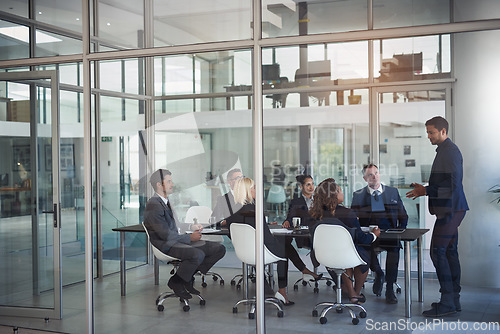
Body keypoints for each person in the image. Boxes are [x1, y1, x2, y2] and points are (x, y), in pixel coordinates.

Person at [406, 116, 469, 317]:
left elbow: (452, 185)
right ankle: (452, 300)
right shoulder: (445, 150)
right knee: (449, 252)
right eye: (427, 132)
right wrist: (424, 188)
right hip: (450, 209)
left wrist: (426, 191)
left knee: (437, 252)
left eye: (431, 132)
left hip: (452, 209)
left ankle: (448, 301)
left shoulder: (450, 151)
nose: (428, 136)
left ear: (443, 131)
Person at [144, 169, 226, 300]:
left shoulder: (166, 201)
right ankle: (177, 282)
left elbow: (175, 225)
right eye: (169, 181)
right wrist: (189, 237)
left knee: (218, 249)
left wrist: (190, 226)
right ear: (159, 185)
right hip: (166, 244)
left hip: (176, 240)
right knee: (197, 254)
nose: (172, 184)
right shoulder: (154, 205)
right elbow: (164, 234)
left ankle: (186, 278)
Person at [309, 178, 380, 304]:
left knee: (344, 256)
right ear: (334, 195)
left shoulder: (315, 214)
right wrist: (374, 235)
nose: (342, 193)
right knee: (363, 255)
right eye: (340, 191)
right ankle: (356, 293)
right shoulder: (347, 213)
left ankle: (350, 292)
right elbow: (362, 238)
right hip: (346, 255)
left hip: (325, 256)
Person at [229, 177, 294, 306]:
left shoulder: (232, 212)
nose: (256, 190)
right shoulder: (255, 211)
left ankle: (264, 286)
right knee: (284, 251)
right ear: (247, 191)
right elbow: (267, 238)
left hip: (244, 253)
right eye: (253, 188)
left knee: (277, 248)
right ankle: (282, 292)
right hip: (259, 251)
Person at [351, 163, 408, 304]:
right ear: (365, 178)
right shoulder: (358, 195)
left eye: (376, 173)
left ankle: (389, 288)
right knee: (364, 246)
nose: (374, 177)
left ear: (380, 174)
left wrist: (400, 230)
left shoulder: (392, 192)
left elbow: (403, 216)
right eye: (370, 174)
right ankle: (379, 273)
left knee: (394, 249)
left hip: (390, 233)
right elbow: (353, 220)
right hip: (370, 235)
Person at [280, 174, 321, 280]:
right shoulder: (296, 202)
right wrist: (287, 221)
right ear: (301, 187)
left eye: (312, 184)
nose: (312, 187)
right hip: (305, 237)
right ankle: (305, 270)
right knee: (284, 243)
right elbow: (290, 217)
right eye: (308, 185)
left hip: (320, 235)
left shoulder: (319, 201)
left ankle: (341, 284)